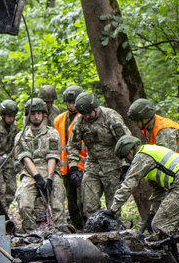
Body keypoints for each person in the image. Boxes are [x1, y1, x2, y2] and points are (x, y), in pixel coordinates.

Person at [106, 136, 179, 263]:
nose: (127, 161)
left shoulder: (141, 157)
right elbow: (158, 189)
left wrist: (113, 209)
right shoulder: (151, 151)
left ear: (129, 151)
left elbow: (128, 184)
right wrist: (152, 212)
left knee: (161, 225)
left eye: (125, 158)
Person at [128, 98, 179, 260]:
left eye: (135, 121)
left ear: (144, 118)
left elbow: (165, 164)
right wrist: (153, 210)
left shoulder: (163, 131)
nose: (135, 125)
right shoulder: (151, 129)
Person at [67, 92, 131, 219]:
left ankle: (114, 232)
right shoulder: (80, 121)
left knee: (113, 207)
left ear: (96, 107)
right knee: (89, 206)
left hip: (113, 166)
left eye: (90, 112)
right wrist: (73, 168)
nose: (88, 116)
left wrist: (126, 165)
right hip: (92, 165)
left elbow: (126, 142)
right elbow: (73, 145)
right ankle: (95, 231)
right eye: (84, 114)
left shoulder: (111, 117)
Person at [14, 98, 67, 232]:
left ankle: (60, 233)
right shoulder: (21, 136)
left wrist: (49, 178)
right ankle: (31, 233)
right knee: (24, 202)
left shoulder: (52, 133)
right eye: (33, 113)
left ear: (44, 114)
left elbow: (52, 157)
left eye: (39, 113)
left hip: (50, 170)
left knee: (57, 203)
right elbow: (25, 158)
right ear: (28, 115)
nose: (36, 117)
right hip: (30, 173)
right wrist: (37, 177)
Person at [53, 85, 87, 229]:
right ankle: (76, 225)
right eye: (69, 102)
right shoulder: (59, 119)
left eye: (74, 102)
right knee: (71, 199)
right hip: (65, 167)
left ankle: (87, 224)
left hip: (82, 164)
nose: (72, 105)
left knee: (84, 199)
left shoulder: (85, 117)